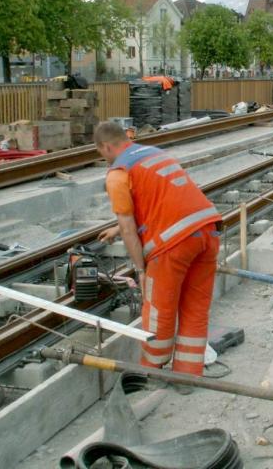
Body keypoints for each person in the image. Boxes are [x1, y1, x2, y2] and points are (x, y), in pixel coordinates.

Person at [94, 121, 222, 376]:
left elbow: (129, 230)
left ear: (106, 147)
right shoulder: (154, 153)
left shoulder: (117, 174)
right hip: (207, 231)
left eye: (100, 153)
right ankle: (187, 376)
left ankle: (152, 373)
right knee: (195, 310)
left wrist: (141, 271)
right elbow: (160, 198)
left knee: (158, 313)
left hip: (173, 245)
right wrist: (116, 228)